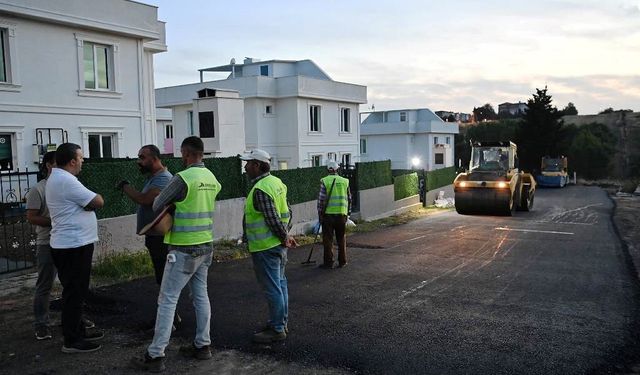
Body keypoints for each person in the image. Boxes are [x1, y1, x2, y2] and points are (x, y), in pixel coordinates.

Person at [130, 136, 221, 373]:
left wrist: (173, 206)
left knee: (167, 299)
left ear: (186, 154)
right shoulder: (211, 178)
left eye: (182, 154)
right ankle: (203, 345)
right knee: (201, 296)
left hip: (183, 247)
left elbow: (158, 202)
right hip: (206, 245)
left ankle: (155, 354)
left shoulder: (184, 177)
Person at [46, 143, 104, 353]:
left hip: (70, 244)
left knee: (76, 291)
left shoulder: (59, 178)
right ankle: (72, 340)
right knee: (74, 293)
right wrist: (87, 204)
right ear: (72, 161)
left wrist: (85, 204)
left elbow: (87, 203)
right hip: (73, 245)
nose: (82, 161)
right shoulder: (66, 181)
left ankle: (77, 330)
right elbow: (98, 201)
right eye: (80, 158)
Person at [116, 145, 177, 328]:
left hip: (161, 238)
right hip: (155, 236)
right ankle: (172, 317)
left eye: (142, 157)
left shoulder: (163, 180)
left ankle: (168, 321)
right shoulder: (154, 178)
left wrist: (125, 186)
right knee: (162, 278)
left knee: (164, 279)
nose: (139, 162)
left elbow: (144, 199)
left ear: (154, 158)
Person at [241, 148, 297, 344]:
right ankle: (280, 322)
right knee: (280, 285)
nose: (245, 167)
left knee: (273, 288)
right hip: (277, 246)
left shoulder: (261, 189)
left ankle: (277, 328)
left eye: (248, 163)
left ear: (257, 165)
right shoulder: (277, 183)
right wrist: (286, 236)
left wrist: (284, 237)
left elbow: (273, 219)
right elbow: (288, 212)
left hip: (265, 247)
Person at [317, 161, 352, 269]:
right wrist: (348, 213)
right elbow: (349, 199)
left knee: (328, 239)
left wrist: (320, 214)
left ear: (328, 170)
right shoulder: (345, 181)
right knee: (341, 238)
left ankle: (328, 262)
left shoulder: (324, 181)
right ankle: (342, 261)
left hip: (328, 216)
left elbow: (321, 200)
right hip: (342, 214)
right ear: (337, 169)